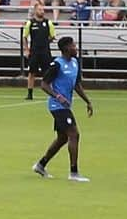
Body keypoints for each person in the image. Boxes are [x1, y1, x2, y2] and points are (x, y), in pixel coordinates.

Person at [32, 36, 93, 181]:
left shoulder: (75, 63)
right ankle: (74, 173)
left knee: (62, 138)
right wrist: (57, 96)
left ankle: (41, 165)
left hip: (65, 105)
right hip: (57, 106)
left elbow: (77, 85)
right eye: (73, 45)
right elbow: (44, 84)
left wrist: (88, 101)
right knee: (74, 134)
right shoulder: (57, 65)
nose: (76, 48)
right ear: (66, 48)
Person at [22, 5, 56, 100]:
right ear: (35, 11)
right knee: (31, 72)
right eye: (40, 9)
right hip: (34, 51)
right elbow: (25, 37)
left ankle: (51, 92)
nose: (42, 11)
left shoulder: (48, 22)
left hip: (45, 51)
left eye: (43, 10)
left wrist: (45, 42)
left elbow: (52, 36)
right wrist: (26, 49)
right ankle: (30, 93)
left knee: (48, 72)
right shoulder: (30, 23)